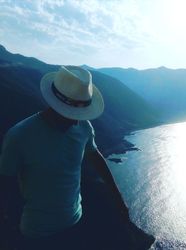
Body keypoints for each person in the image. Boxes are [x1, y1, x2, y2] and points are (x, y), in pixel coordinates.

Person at [0, 66, 130, 250]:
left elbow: (96, 157)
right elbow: (5, 184)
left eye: (81, 113)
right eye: (72, 113)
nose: (77, 120)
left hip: (77, 222)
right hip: (36, 235)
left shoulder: (84, 127)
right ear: (55, 105)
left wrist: (118, 198)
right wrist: (7, 229)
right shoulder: (20, 136)